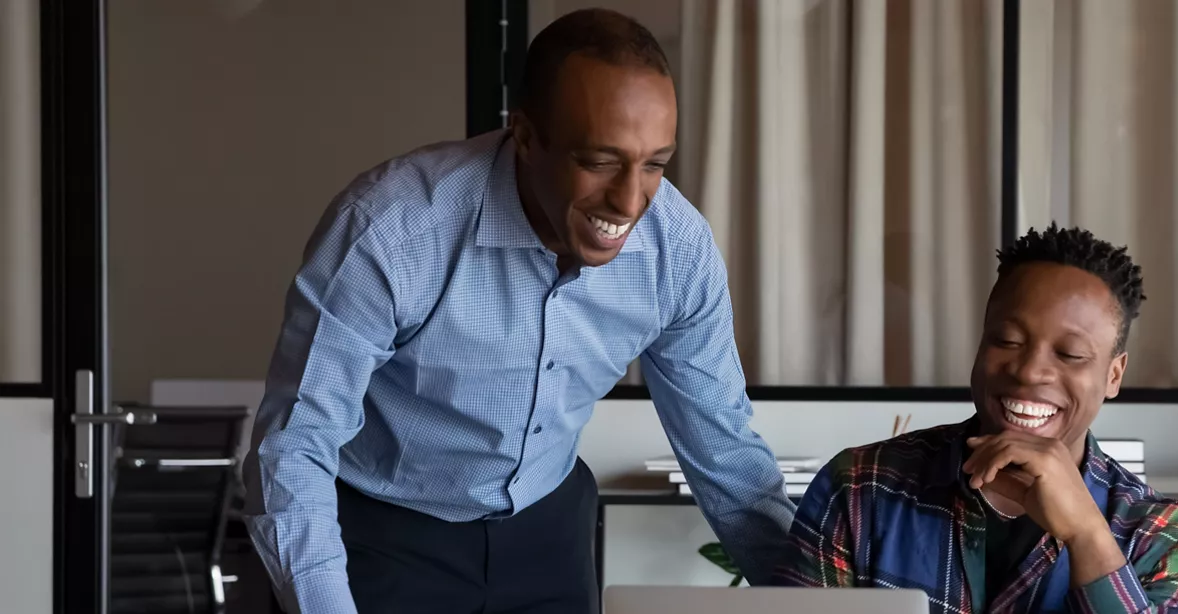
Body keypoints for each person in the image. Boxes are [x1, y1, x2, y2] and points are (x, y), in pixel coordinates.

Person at [241, 9, 793, 614]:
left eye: (656, 163)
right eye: (600, 161)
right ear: (526, 137)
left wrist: (819, 601)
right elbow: (295, 446)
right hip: (382, 540)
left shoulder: (678, 251)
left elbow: (724, 454)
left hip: (547, 536)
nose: (631, 200)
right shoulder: (391, 230)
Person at [770, 224, 1178, 613]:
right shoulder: (860, 490)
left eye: (1070, 354)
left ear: (1113, 374)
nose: (1029, 372)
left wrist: (1087, 536)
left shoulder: (1167, 539)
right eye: (1007, 340)